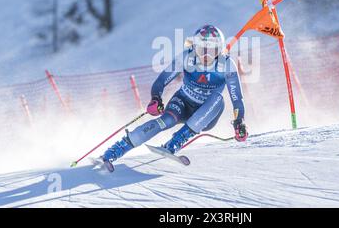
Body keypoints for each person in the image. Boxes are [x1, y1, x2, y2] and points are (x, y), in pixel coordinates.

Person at [101, 25, 248, 172]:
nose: (205, 56)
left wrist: (239, 122)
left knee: (217, 98)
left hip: (207, 113)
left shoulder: (227, 64)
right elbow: (161, 81)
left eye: (211, 51)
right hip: (183, 101)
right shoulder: (186, 57)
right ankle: (117, 149)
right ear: (194, 47)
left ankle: (176, 141)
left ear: (219, 50)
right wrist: (156, 98)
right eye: (202, 49)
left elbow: (237, 99)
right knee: (166, 120)